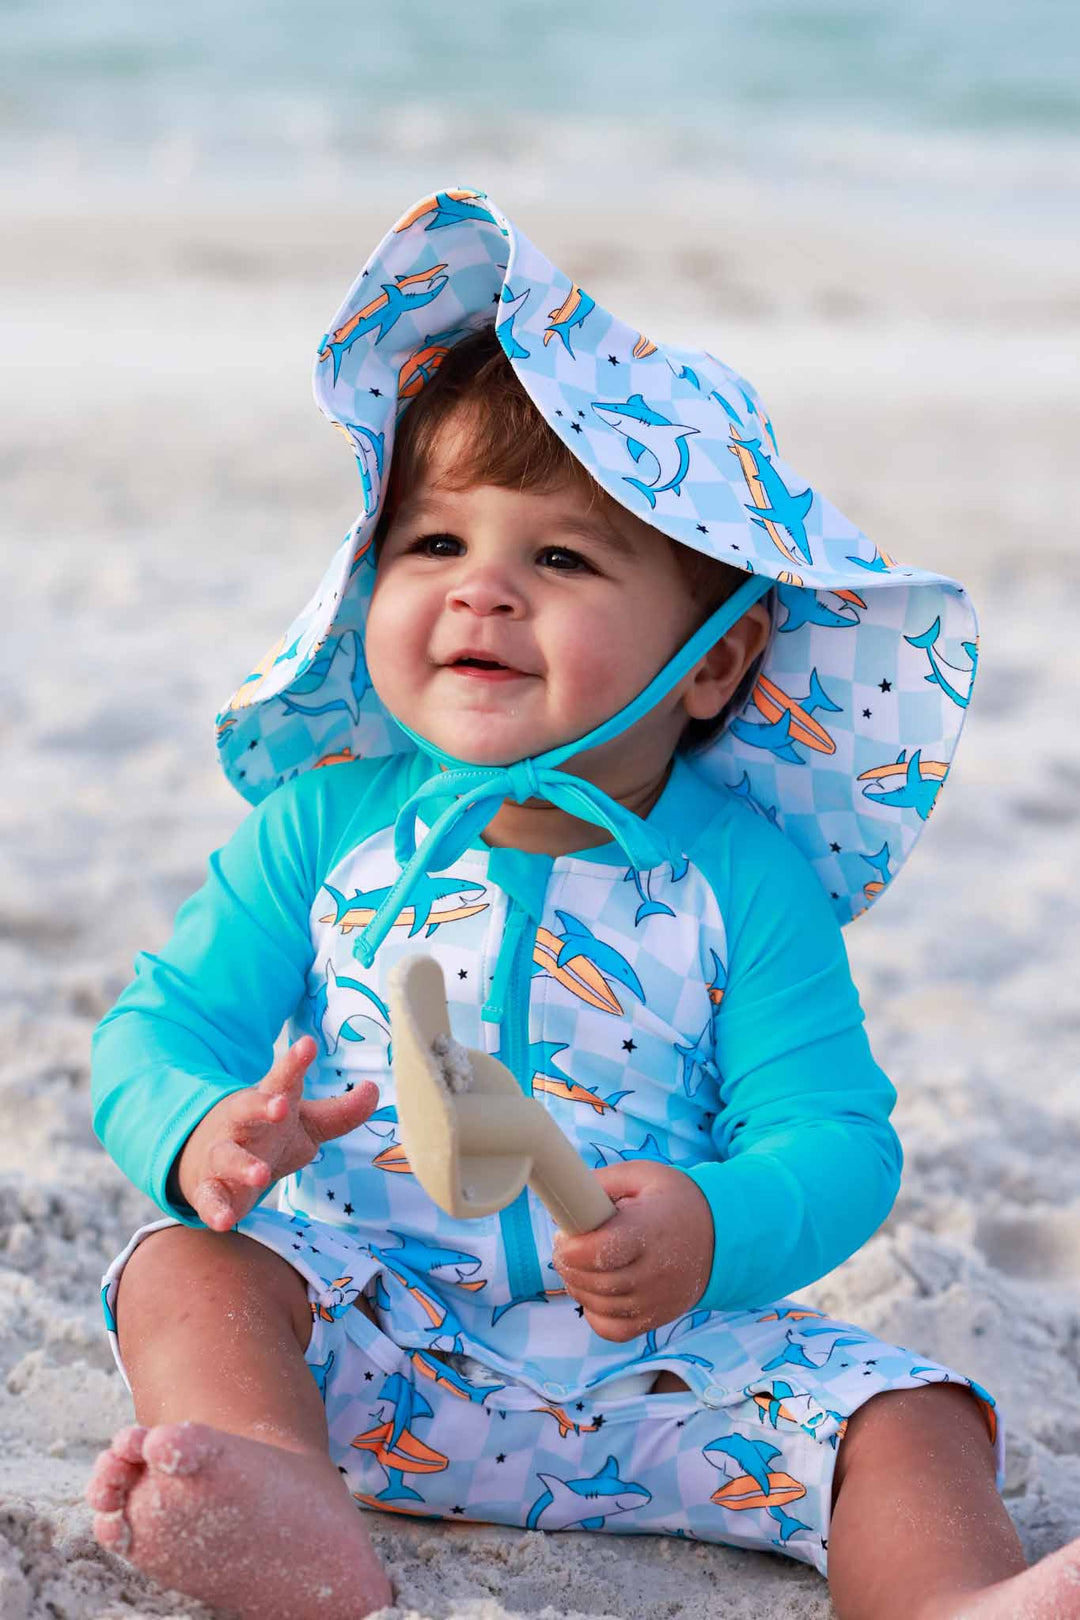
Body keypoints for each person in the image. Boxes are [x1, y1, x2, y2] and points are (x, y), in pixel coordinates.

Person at [85, 189, 1079, 1619]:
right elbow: (154, 1029)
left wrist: (713, 1227)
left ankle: (949, 1603)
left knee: (906, 1412)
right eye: (433, 547)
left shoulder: (741, 875)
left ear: (720, 663)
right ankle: (275, 1498)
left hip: (668, 1373)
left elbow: (839, 1141)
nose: (482, 592)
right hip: (370, 1339)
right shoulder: (323, 830)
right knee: (189, 1271)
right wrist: (204, 1130)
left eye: (557, 558)